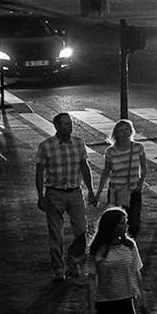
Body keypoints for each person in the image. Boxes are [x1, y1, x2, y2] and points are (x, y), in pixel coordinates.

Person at [35, 112, 95, 281]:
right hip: (54, 193)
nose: (70, 127)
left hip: (75, 191)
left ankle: (73, 260)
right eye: (66, 124)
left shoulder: (78, 143)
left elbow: (85, 166)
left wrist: (90, 190)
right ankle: (59, 269)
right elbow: (39, 171)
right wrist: (40, 195)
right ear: (57, 126)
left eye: (70, 123)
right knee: (56, 234)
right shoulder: (46, 146)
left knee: (82, 230)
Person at [96, 118, 150, 238]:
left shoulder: (138, 148)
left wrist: (141, 183)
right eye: (121, 130)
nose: (124, 133)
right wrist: (99, 192)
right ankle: (118, 244)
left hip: (133, 190)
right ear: (116, 134)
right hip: (116, 191)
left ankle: (130, 243)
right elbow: (106, 171)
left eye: (127, 130)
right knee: (116, 221)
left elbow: (144, 167)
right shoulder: (110, 152)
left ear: (131, 131)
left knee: (134, 222)